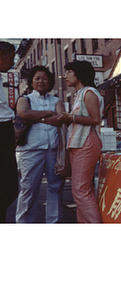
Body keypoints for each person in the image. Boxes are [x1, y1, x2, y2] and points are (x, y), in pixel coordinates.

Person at [15, 66, 65, 223]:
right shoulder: (25, 99)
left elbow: (60, 119)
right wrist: (49, 113)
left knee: (55, 188)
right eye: (37, 78)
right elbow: (24, 114)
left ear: (50, 81)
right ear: (31, 81)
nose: (41, 81)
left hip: (53, 150)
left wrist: (38, 118)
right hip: (31, 150)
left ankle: (53, 223)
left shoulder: (56, 100)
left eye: (44, 78)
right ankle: (24, 224)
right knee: (29, 189)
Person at [58, 60, 102, 223]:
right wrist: (69, 119)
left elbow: (95, 119)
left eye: (69, 72)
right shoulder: (79, 94)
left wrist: (71, 117)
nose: (66, 76)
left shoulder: (89, 93)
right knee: (84, 189)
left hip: (86, 142)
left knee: (80, 190)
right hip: (78, 142)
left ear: (79, 74)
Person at [0, 41, 18, 223]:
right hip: (2, 130)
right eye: (12, 57)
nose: (13, 63)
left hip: (5, 130)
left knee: (9, 187)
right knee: (7, 187)